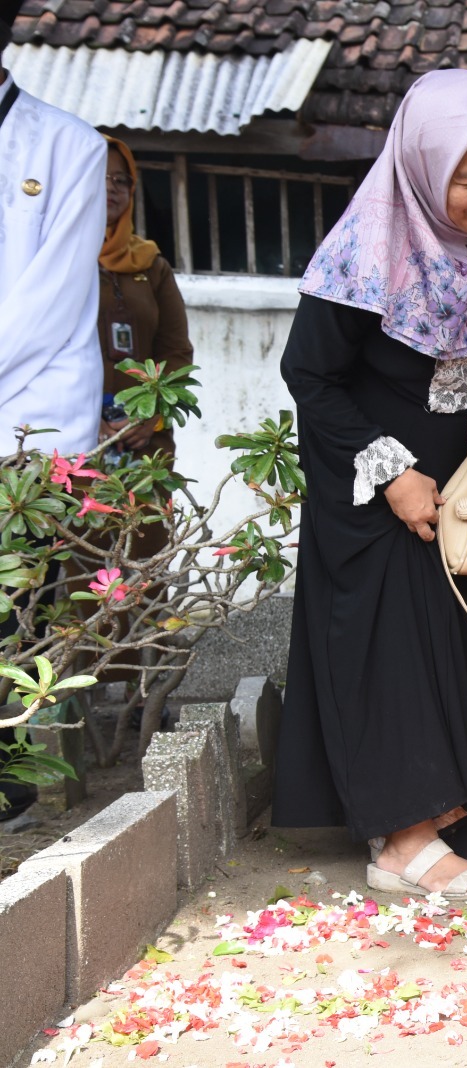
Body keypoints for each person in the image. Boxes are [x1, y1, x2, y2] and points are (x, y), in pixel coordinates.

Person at [274, 69, 467, 902]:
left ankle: (447, 817)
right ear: (424, 169)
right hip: (374, 491)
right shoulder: (367, 249)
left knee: (456, 657)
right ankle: (402, 843)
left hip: (465, 487)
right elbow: (310, 376)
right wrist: (391, 471)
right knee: (391, 657)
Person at [0, 0, 107, 833]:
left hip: (26, 432)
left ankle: (10, 798)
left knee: (12, 620)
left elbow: (48, 302)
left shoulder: (69, 145)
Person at [97, 136, 194, 477]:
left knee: (143, 528)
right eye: (99, 174)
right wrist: (86, 417)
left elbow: (176, 351)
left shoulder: (151, 264)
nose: (112, 187)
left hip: (145, 442)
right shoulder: (56, 259)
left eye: (121, 180)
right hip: (74, 436)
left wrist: (151, 417)